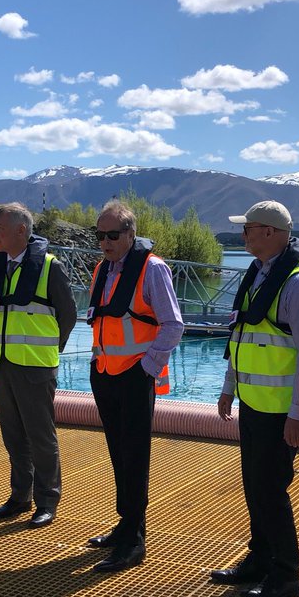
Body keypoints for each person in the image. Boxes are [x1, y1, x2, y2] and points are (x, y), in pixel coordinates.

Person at [211, 201, 299, 597]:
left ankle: (286, 574)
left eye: (249, 229)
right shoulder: (258, 275)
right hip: (253, 404)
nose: (243, 235)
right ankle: (259, 559)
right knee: (254, 488)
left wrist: (298, 413)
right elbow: (239, 337)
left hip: (279, 412)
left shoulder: (298, 285)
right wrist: (229, 387)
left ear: (272, 233)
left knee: (271, 491)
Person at [85, 200, 184, 572]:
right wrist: (96, 362)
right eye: (100, 236)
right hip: (105, 374)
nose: (105, 242)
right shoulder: (102, 269)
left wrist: (147, 368)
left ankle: (134, 540)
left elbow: (173, 325)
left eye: (112, 235)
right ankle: (124, 524)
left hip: (134, 377)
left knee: (135, 457)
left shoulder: (153, 270)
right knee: (118, 454)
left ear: (130, 234)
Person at [0, 202, 77, 528]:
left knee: (40, 437)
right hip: (3, 364)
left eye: (0, 230)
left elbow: (69, 315)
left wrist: (51, 350)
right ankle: (19, 496)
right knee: (14, 437)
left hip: (35, 368)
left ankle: (47, 500)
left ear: (21, 230)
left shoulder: (50, 267)